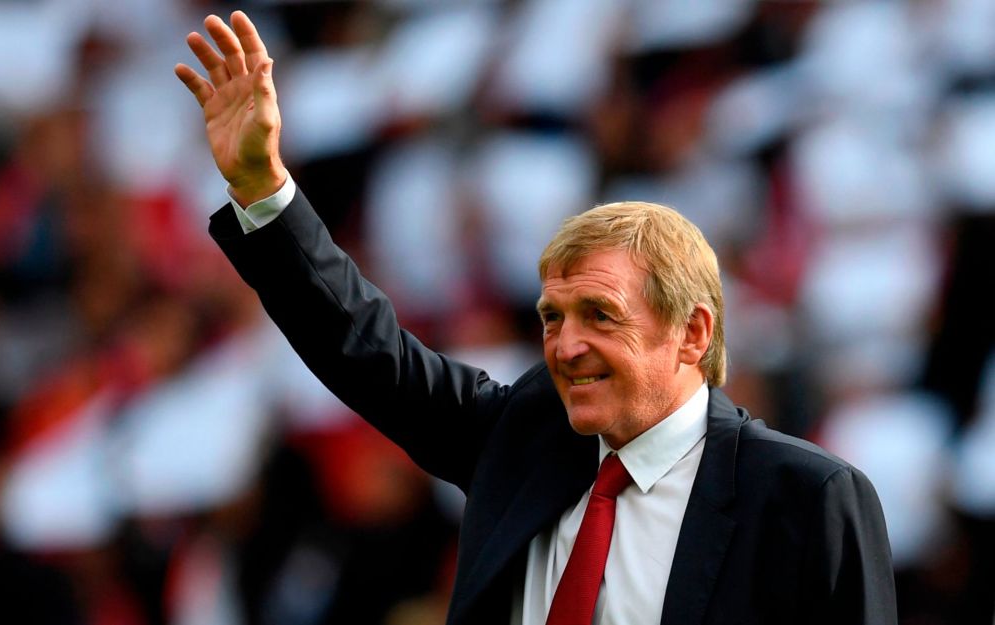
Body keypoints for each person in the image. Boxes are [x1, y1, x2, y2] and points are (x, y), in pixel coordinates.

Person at [175, 11, 897, 625]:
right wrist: (262, 188)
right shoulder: (523, 435)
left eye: (600, 315)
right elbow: (366, 347)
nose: (567, 343)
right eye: (552, 316)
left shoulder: (804, 499)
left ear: (694, 333)